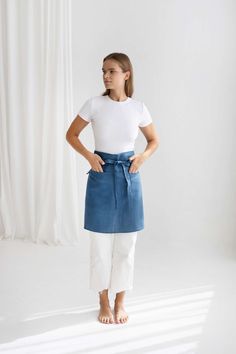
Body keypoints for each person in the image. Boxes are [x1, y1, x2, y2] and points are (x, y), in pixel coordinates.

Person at [66, 52, 159, 324]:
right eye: (104, 71)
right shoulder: (94, 104)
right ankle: (103, 300)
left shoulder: (139, 108)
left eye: (112, 71)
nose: (106, 76)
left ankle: (121, 301)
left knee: (126, 245)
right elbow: (71, 134)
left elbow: (153, 140)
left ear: (126, 74)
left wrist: (142, 157)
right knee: (100, 245)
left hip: (129, 176)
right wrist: (89, 156)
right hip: (101, 175)